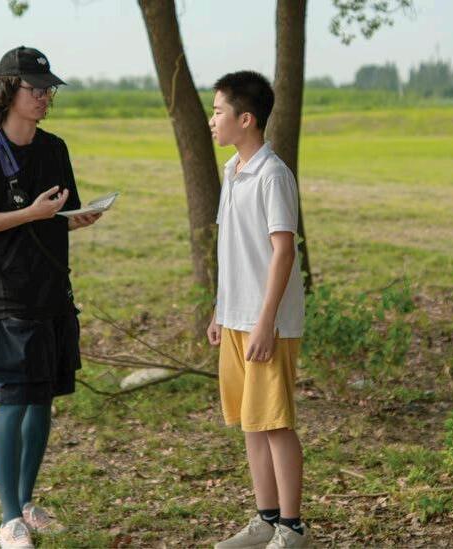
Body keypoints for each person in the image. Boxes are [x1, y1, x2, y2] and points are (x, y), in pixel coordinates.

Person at [0, 45, 101, 549]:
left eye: (48, 89)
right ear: (6, 91)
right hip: (6, 294)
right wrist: (29, 214)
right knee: (13, 402)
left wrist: (78, 218)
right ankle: (8, 518)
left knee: (41, 400)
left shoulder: (55, 149)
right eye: (34, 88)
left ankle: (27, 501)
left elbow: (59, 215)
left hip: (52, 289)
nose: (43, 96)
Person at [206, 71, 310, 549]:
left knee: (275, 422)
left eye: (218, 112)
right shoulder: (232, 171)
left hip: (267, 323)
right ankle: (265, 520)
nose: (212, 120)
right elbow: (234, 249)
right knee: (251, 422)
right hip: (235, 317)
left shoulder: (272, 174)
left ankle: (292, 527)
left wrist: (266, 322)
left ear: (245, 119)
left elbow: (283, 251)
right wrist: (219, 310)